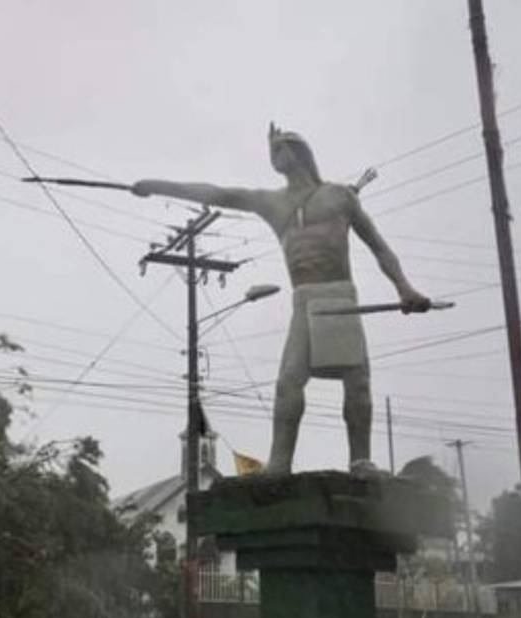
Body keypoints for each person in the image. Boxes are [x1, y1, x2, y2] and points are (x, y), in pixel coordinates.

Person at [131, 124, 432, 473]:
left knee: (357, 381)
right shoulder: (270, 202)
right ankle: (279, 463)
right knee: (289, 381)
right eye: (271, 151)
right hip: (303, 300)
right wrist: (156, 186)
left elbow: (379, 246)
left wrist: (404, 288)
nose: (275, 157)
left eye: (280, 149)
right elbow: (217, 193)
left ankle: (360, 459)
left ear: (299, 151)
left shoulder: (339, 196)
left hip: (338, 295)